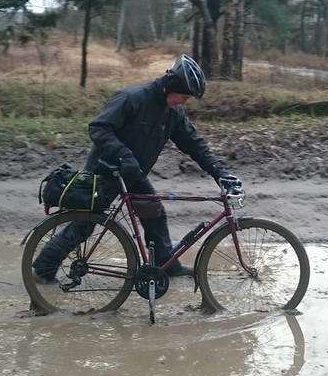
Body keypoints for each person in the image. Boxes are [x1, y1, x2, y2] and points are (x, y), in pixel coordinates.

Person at [32, 54, 233, 281]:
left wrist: (219, 173)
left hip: (134, 174)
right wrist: (124, 156)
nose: (184, 102)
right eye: (183, 96)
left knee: (154, 213)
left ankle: (165, 266)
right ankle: (43, 269)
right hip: (106, 170)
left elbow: (194, 145)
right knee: (84, 226)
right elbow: (98, 128)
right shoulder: (132, 98)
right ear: (170, 87)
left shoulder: (173, 113)